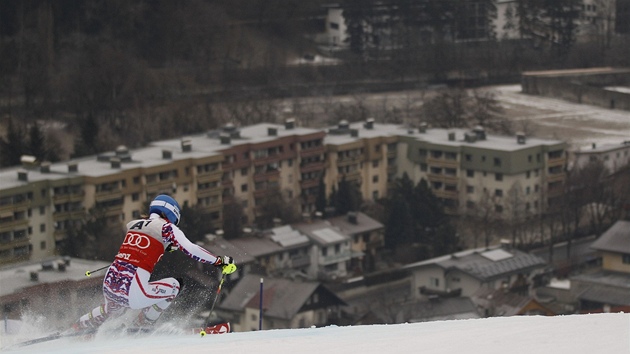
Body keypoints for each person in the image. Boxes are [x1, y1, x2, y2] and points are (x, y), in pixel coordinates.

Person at [73, 194, 236, 331]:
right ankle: (142, 325)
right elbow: (191, 249)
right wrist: (219, 261)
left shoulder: (134, 225)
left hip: (110, 283)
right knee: (174, 285)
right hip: (132, 289)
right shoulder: (167, 228)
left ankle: (79, 326)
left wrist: (166, 247)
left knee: (114, 309)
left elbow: (144, 245)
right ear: (172, 214)